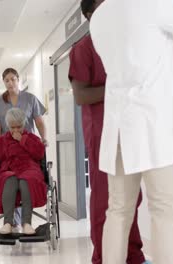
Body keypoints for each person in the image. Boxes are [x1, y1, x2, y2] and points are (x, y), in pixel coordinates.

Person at [89, 0, 173, 263]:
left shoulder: (98, 17)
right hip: (155, 129)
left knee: (118, 211)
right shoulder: (152, 4)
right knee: (164, 213)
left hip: (120, 130)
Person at [68, 1, 149, 263]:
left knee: (132, 196)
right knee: (106, 199)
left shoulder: (125, 44)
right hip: (103, 133)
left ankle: (132, 254)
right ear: (92, 15)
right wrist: (118, 88)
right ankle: (104, 257)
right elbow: (81, 96)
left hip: (130, 129)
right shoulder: (83, 48)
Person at [0, 67, 48, 228]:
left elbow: (39, 122)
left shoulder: (30, 99)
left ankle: (24, 221)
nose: (10, 83)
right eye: (6, 80)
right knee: (9, 177)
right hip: (8, 149)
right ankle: (11, 221)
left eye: (13, 79)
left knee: (26, 177)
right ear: (4, 82)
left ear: (18, 79)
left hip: (27, 147)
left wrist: (44, 139)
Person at [0, 108, 47, 235]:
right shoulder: (1, 141)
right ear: (8, 126)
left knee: (27, 179)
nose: (16, 130)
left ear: (24, 125)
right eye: (13, 127)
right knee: (8, 178)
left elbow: (40, 153)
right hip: (8, 169)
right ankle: (8, 223)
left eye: (19, 127)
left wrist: (22, 140)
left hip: (29, 168)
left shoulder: (32, 138)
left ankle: (26, 223)